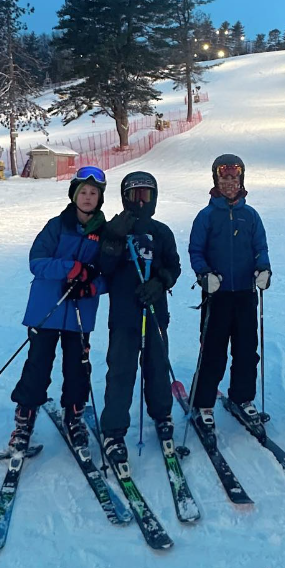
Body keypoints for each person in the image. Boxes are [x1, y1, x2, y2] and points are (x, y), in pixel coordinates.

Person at [7, 166, 109, 452]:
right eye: (83, 192)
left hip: (80, 312)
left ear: (100, 198)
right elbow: (37, 262)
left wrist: (91, 287)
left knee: (78, 367)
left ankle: (74, 415)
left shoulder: (105, 233)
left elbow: (110, 274)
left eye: (93, 193)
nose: (87, 197)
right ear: (74, 195)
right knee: (38, 366)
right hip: (47, 309)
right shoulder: (57, 225)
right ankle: (24, 420)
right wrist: (71, 268)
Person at [98, 172, 181, 465]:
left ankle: (162, 413)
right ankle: (113, 429)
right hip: (124, 314)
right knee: (121, 371)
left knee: (157, 366)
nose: (141, 202)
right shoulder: (115, 228)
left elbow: (174, 265)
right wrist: (112, 240)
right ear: (125, 198)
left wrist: (161, 281)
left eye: (146, 195)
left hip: (155, 312)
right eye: (135, 196)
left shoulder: (161, 232)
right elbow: (104, 268)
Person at [188, 154, 271, 429]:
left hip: (245, 294)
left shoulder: (251, 216)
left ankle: (242, 397)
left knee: (246, 350)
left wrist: (263, 269)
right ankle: (203, 402)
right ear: (216, 180)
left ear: (241, 180)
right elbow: (196, 251)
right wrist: (204, 274)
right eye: (224, 179)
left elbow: (260, 248)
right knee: (213, 350)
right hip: (217, 294)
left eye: (234, 178)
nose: (229, 183)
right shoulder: (207, 216)